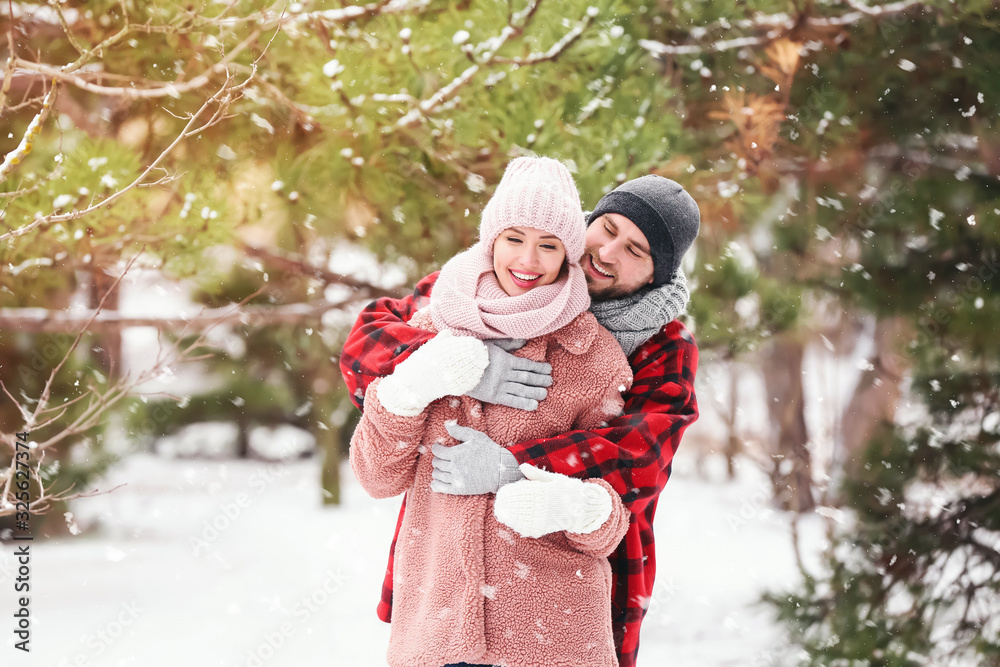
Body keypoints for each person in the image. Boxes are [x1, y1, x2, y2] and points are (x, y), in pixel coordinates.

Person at [341, 172, 701, 667]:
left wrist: (513, 467)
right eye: (609, 227)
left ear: (657, 275)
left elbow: (636, 464)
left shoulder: (658, 346)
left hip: (564, 582)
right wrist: (459, 366)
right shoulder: (476, 289)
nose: (609, 252)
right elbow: (367, 344)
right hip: (443, 576)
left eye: (636, 250)